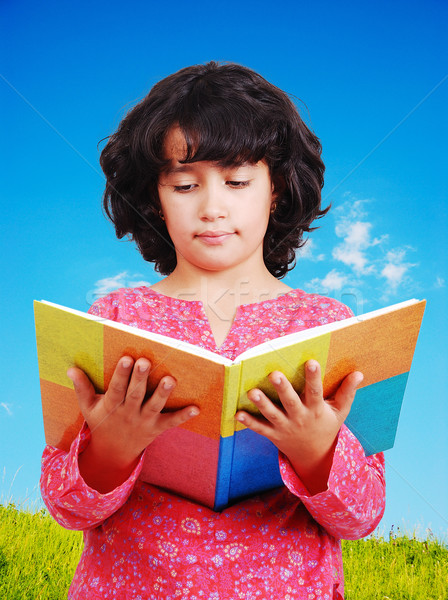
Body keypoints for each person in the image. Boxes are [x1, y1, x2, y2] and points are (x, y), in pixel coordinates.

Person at [40, 61, 385, 599]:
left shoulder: (326, 326)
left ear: (276, 189)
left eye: (238, 181)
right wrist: (111, 447)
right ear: (155, 196)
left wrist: (317, 450)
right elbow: (66, 506)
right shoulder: (112, 320)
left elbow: (361, 516)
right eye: (184, 184)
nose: (212, 207)